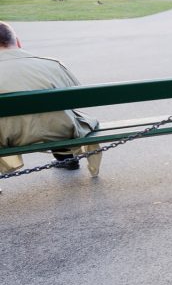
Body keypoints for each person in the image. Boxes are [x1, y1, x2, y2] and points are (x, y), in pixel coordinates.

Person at [0, 21, 100, 175]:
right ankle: (66, 158)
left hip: (8, 137)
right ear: (18, 41)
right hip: (60, 131)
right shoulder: (52, 64)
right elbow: (77, 99)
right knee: (57, 114)